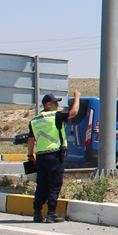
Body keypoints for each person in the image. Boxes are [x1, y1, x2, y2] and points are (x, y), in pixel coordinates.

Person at [27, 90, 82, 223]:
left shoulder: (34, 121)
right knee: (54, 184)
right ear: (47, 105)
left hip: (40, 156)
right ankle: (51, 213)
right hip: (54, 155)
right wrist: (77, 98)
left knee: (42, 185)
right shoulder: (55, 116)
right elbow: (73, 113)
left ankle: (37, 212)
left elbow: (30, 139)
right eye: (55, 103)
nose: (57, 105)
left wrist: (30, 155)